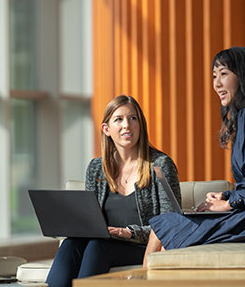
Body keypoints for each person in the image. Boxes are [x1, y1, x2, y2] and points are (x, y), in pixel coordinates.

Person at [143, 47, 245, 266]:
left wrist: (230, 204)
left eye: (224, 74)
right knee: (170, 230)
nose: (216, 84)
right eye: (214, 76)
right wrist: (227, 197)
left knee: (164, 225)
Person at [46, 95, 180, 287]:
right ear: (106, 129)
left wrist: (129, 233)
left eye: (133, 118)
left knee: (97, 247)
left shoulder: (160, 165)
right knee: (70, 245)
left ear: (140, 125)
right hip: (103, 242)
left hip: (141, 246)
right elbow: (89, 219)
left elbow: (171, 223)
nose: (127, 125)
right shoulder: (96, 167)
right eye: (119, 119)